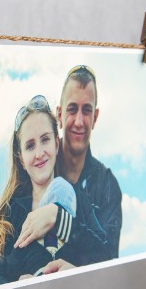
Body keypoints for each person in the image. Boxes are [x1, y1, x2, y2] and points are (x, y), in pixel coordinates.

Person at [13, 65, 122, 274]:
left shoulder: (107, 186)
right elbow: (0, 259)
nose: (79, 122)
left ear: (96, 117)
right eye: (72, 109)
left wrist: (59, 219)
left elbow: (108, 262)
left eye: (87, 110)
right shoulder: (37, 169)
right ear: (60, 115)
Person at [0, 95, 77, 287]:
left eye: (45, 140)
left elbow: (103, 252)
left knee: (62, 187)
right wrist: (17, 288)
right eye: (30, 146)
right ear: (21, 159)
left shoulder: (79, 199)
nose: (39, 153)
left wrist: (58, 217)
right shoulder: (7, 218)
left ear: (56, 144)